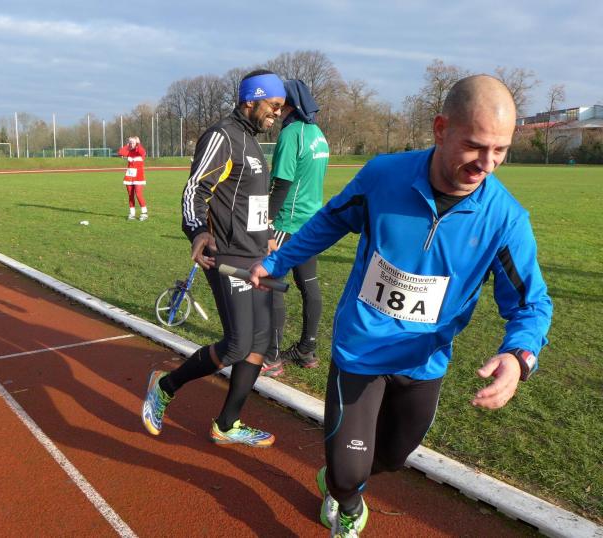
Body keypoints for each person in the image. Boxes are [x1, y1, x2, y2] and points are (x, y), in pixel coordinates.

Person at [250, 75, 552, 537]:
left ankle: (346, 476)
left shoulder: (505, 219)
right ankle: (345, 500)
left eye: (500, 150)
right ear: (440, 129)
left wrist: (518, 355)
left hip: (424, 361)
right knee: (347, 474)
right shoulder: (383, 176)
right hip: (361, 350)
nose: (487, 164)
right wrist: (277, 261)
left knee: (391, 458)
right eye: (474, 146)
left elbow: (531, 303)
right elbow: (329, 220)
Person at [141, 70, 286, 447]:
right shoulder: (222, 136)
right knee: (238, 344)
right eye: (274, 105)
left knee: (259, 344)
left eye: (281, 107)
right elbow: (195, 189)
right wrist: (196, 230)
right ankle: (165, 386)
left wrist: (268, 233)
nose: (278, 113)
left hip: (257, 255)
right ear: (251, 100)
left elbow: (251, 200)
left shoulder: (252, 141)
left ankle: (227, 423)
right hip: (228, 255)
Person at [261, 79, 330, 378]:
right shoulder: (318, 134)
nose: (277, 110)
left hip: (287, 223)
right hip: (312, 223)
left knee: (270, 284)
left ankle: (271, 356)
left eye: (279, 103)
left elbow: (282, 183)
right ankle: (306, 350)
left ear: (289, 104)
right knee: (308, 283)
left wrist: (266, 220)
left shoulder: (292, 133)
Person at [117, 136, 148, 220]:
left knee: (138, 194)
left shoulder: (140, 151)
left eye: (133, 142)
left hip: (139, 176)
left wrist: (138, 143)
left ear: (137, 143)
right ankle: (132, 213)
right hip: (129, 176)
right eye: (130, 142)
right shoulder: (129, 152)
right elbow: (120, 152)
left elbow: (142, 151)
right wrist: (128, 145)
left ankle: (144, 213)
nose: (131, 144)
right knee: (130, 195)